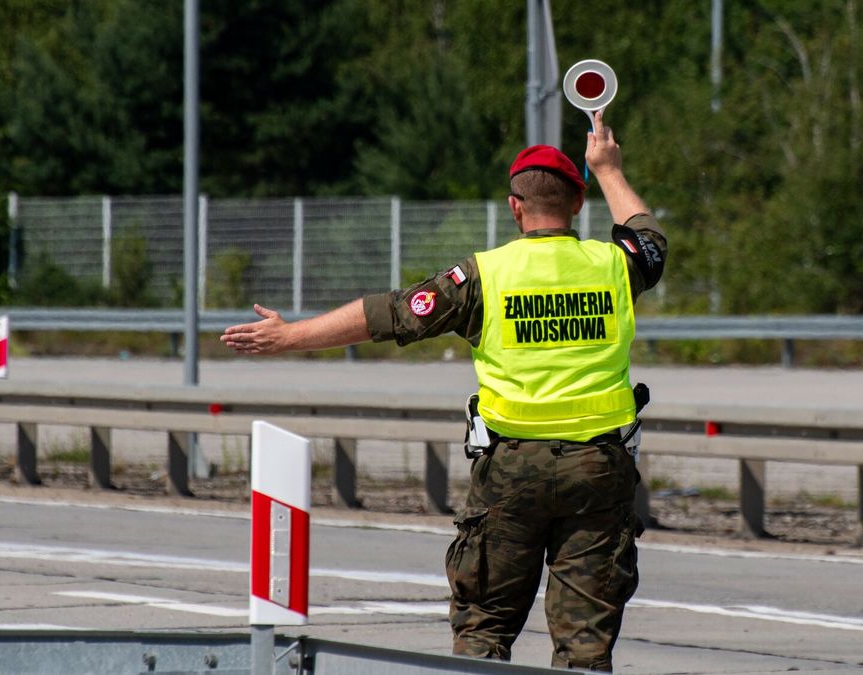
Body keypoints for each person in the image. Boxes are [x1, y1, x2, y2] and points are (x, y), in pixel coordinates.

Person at [221, 110, 666, 671]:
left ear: (514, 205)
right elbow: (648, 236)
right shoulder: (613, 266)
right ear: (578, 205)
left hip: (509, 470)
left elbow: (387, 315)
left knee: (483, 628)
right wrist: (607, 167)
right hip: (598, 471)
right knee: (586, 643)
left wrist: (290, 337)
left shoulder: (482, 276)